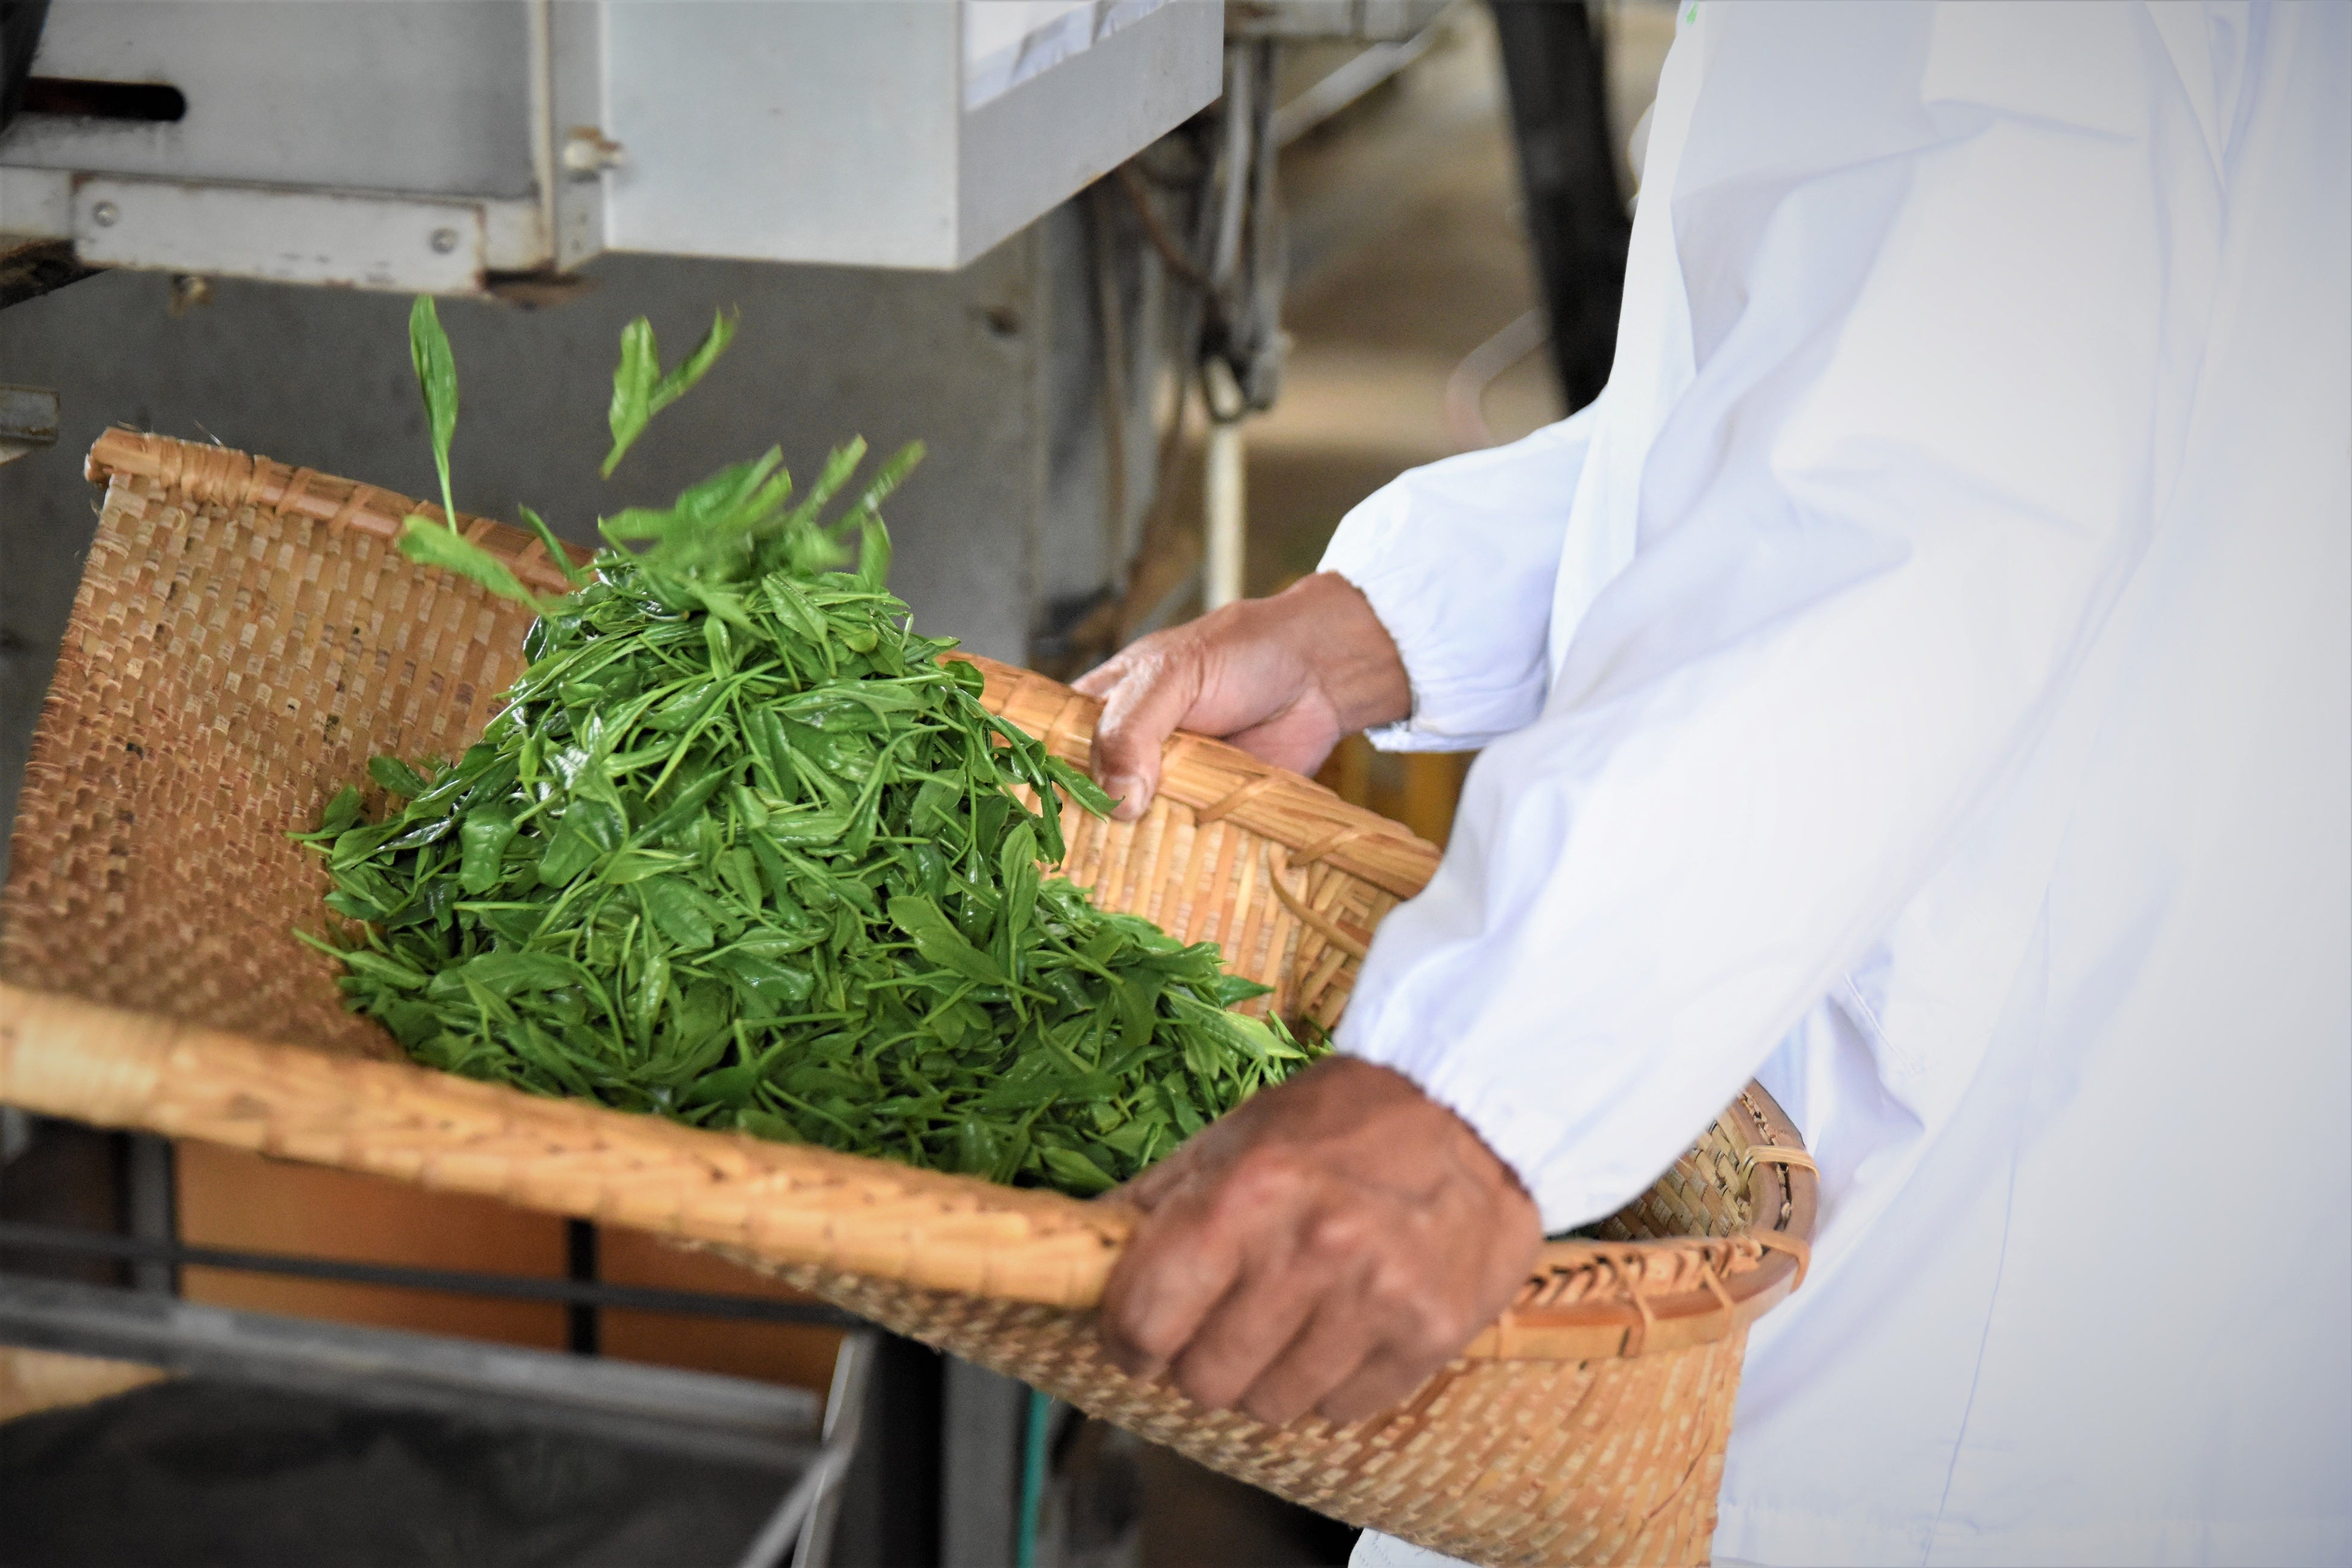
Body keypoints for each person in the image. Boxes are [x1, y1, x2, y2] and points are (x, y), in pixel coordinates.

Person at [1075, 4, 2350, 1564]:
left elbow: (1911, 499)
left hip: (1944, 1333)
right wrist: (1379, 627)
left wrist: (1472, 1101)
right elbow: (1836, 387)